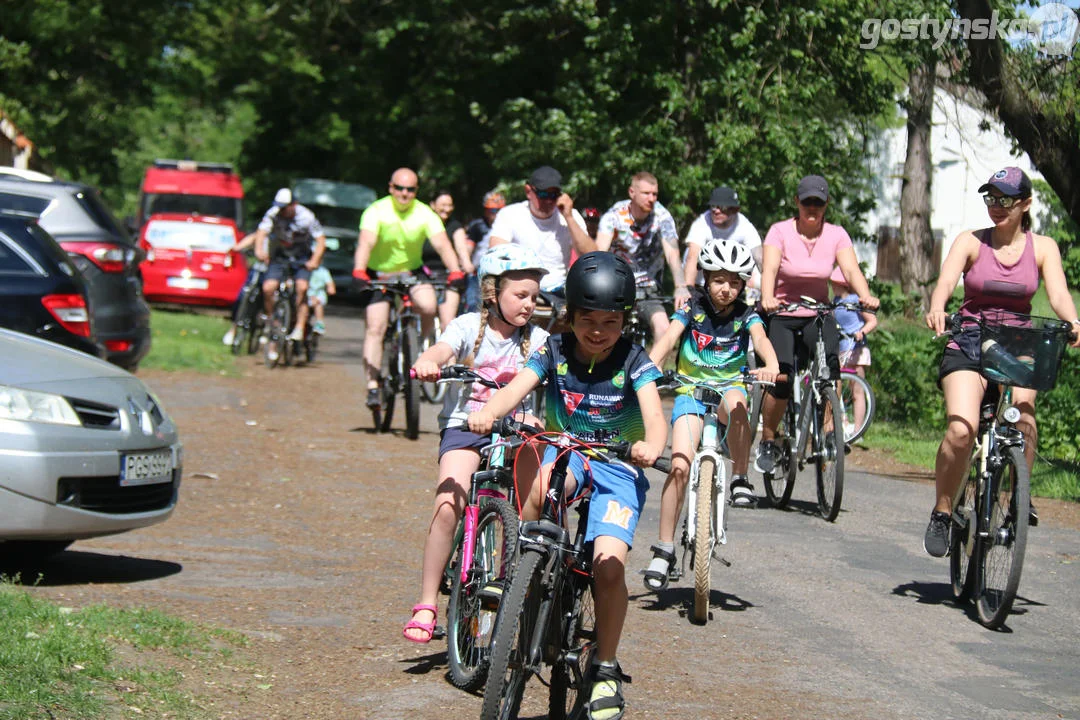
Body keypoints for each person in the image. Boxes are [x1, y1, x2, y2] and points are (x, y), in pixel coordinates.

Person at [467, 251, 666, 720]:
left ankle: (605, 667)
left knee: (609, 566)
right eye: (588, 320)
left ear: (625, 322)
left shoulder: (634, 360)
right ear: (570, 317)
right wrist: (489, 414)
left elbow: (654, 416)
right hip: (567, 453)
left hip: (618, 467)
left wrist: (651, 446)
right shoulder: (553, 351)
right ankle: (524, 572)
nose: (599, 331)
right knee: (536, 476)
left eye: (611, 322)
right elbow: (516, 387)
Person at [922, 166, 1080, 557]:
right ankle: (943, 511)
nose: (996, 207)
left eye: (1005, 199)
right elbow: (944, 283)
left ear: (1025, 203)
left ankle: (1018, 498)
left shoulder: (1043, 248)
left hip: (1018, 342)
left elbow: (1058, 294)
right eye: (990, 198)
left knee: (1024, 416)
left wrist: (1072, 321)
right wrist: (938, 307)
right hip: (971, 339)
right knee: (962, 429)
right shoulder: (970, 242)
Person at [402, 244, 550, 643]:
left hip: (517, 430)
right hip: (465, 428)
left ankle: (522, 589)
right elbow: (443, 348)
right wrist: (430, 360)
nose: (529, 304)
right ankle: (428, 602)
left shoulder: (538, 338)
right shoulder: (469, 326)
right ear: (492, 294)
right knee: (448, 502)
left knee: (538, 504)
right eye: (521, 294)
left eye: (534, 297)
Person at [641, 239, 780, 591]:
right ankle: (664, 548)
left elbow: (761, 340)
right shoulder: (692, 309)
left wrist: (772, 364)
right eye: (719, 280)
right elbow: (669, 338)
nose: (726, 288)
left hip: (727, 388)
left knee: (738, 403)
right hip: (689, 390)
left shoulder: (746, 315)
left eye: (735, 282)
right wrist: (651, 365)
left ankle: (740, 478)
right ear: (705, 278)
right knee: (679, 466)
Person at [755, 175, 879, 477]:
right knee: (781, 379)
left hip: (816, 312)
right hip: (783, 312)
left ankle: (827, 432)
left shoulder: (836, 235)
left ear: (826, 206)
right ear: (797, 203)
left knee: (830, 368)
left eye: (818, 203)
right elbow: (770, 267)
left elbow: (850, 268)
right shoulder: (780, 231)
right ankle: (769, 439)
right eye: (807, 202)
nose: (813, 208)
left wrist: (864, 296)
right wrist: (768, 297)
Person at [352, 168, 467, 410]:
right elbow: (366, 242)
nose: (405, 194)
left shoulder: (424, 213)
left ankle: (419, 345)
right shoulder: (376, 211)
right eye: (400, 188)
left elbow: (443, 245)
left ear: (416, 191)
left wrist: (455, 270)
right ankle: (373, 385)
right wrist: (359, 270)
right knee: (376, 326)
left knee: (428, 305)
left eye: (411, 189)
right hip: (378, 273)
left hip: (411, 272)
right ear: (391, 188)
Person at [596, 171, 689, 344]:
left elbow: (672, 253)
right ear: (632, 192)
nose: (651, 198)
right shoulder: (614, 216)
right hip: (617, 286)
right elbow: (600, 251)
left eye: (654, 194)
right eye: (646, 193)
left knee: (664, 329)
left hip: (649, 288)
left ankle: (652, 369)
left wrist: (681, 286)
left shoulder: (662, 216)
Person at [488, 165, 596, 293]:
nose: (549, 201)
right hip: (519, 291)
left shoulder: (571, 216)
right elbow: (495, 255)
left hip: (558, 293)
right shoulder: (510, 214)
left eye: (554, 195)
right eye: (543, 194)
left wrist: (569, 218)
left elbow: (591, 257)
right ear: (528, 191)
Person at [254, 189, 327, 359]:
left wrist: (314, 260)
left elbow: (321, 240)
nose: (281, 211)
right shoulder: (273, 214)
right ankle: (272, 320)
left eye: (285, 207)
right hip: (281, 256)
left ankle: (299, 328)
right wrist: (259, 250)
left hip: (302, 258)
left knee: (302, 288)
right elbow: (261, 232)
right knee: (268, 287)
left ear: (294, 205)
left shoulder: (307, 217)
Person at [682, 186, 763, 299]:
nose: (716, 210)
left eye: (722, 207)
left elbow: (759, 257)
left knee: (758, 277)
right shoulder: (702, 223)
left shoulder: (744, 226)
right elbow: (692, 256)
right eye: (713, 206)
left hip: (730, 284)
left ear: (735, 209)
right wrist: (688, 290)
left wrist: (770, 287)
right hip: (700, 282)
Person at [830, 265, 877, 440]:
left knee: (857, 390)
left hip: (856, 348)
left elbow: (872, 321)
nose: (832, 286)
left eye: (835, 283)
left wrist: (861, 332)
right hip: (840, 349)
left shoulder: (856, 300)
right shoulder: (835, 301)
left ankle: (858, 430)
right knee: (837, 389)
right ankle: (839, 424)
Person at [424, 191, 474, 331]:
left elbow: (461, 249)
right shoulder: (422, 224)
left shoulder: (455, 226)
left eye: (449, 205)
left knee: (448, 323)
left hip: (448, 276)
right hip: (422, 275)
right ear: (432, 205)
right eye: (443, 205)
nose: (447, 209)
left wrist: (467, 265)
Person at [464, 190, 507, 312]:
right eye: (493, 210)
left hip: (500, 272)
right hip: (477, 273)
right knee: (473, 304)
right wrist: (467, 264)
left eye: (499, 210)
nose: (496, 214)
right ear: (486, 210)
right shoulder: (477, 226)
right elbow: (468, 247)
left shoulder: (508, 225)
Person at [221, 231, 261, 346]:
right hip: (259, 269)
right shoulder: (267, 227)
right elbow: (254, 237)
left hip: (274, 270)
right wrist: (237, 247)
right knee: (243, 295)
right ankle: (233, 329)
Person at [307, 264, 336, 335]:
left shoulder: (323, 271)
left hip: (318, 294)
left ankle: (319, 323)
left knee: (318, 303)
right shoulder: (303, 270)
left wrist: (330, 288)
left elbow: (330, 285)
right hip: (307, 294)